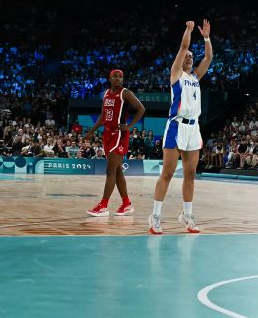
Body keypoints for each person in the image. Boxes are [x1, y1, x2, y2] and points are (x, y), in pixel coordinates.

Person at [149, 19, 213, 235]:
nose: (189, 57)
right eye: (186, 56)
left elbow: (209, 57)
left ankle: (187, 215)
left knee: (191, 174)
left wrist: (206, 37)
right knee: (167, 173)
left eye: (191, 58)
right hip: (176, 126)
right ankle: (155, 216)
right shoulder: (176, 74)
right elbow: (184, 47)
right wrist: (188, 30)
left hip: (193, 129)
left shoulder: (195, 77)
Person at [87, 69, 146, 217]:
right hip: (107, 133)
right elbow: (103, 115)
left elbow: (141, 109)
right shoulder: (106, 93)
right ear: (110, 78)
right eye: (115, 76)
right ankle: (126, 204)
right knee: (117, 170)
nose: (118, 79)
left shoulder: (125, 93)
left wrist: (129, 126)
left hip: (119, 134)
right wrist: (92, 130)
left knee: (110, 170)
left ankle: (104, 205)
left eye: (120, 77)